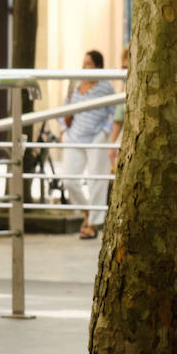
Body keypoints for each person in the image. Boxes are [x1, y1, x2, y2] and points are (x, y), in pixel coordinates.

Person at [61, 49, 115, 240]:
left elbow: (114, 111)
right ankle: (87, 212)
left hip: (96, 138)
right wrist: (63, 131)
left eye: (89, 64)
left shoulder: (106, 86)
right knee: (69, 180)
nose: (84, 67)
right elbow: (65, 107)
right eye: (84, 63)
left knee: (96, 181)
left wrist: (104, 133)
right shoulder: (75, 84)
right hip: (74, 136)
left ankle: (93, 223)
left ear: (99, 67)